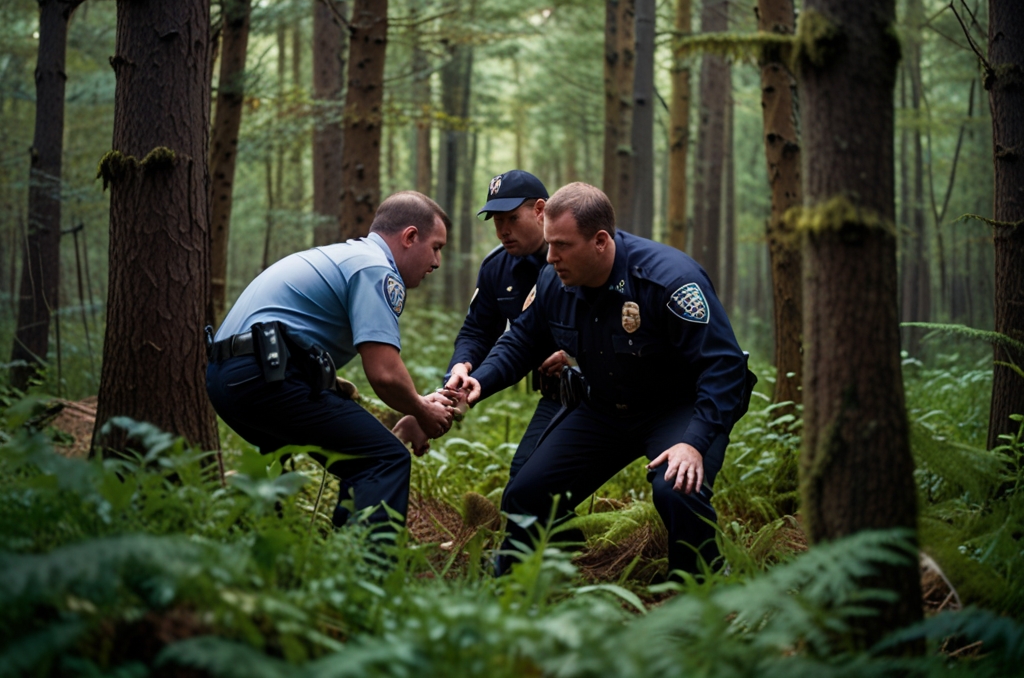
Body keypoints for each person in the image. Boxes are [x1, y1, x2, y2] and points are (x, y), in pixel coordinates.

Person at [449, 183, 755, 576]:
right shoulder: (553, 281)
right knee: (526, 494)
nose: (551, 257)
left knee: (677, 487)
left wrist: (695, 443)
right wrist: (481, 382)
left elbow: (725, 366)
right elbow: (523, 341)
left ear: (600, 241)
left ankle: (702, 585)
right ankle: (515, 584)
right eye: (548, 244)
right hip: (606, 409)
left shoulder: (667, 281)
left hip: (678, 408)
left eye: (562, 245)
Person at [206, 191, 456, 533]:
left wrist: (409, 407)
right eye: (436, 247)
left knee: (356, 459)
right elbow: (383, 373)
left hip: (227, 376)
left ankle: (305, 559)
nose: (437, 262)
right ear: (410, 237)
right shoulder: (376, 269)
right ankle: (368, 571)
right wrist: (423, 411)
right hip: (261, 376)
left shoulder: (346, 256)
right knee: (384, 460)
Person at [397, 170, 569, 471]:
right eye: (496, 220)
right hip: (561, 395)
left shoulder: (576, 256)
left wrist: (576, 355)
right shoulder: (497, 268)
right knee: (526, 482)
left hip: (610, 384)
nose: (503, 230)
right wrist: (459, 369)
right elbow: (478, 333)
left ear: (540, 211)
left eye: (512, 218)